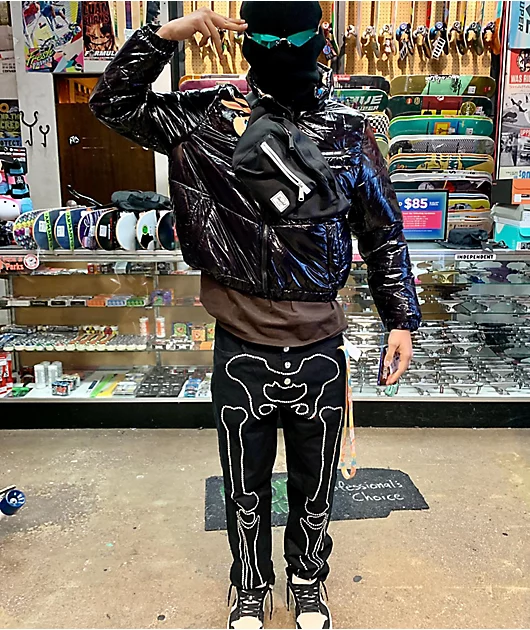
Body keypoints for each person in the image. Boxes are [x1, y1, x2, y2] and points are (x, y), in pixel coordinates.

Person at [90, 3, 421, 628]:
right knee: (243, 486)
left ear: (320, 39)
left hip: (319, 345)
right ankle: (250, 586)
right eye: (270, 36)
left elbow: (383, 233)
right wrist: (167, 34)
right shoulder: (207, 121)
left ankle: (307, 582)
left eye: (297, 36)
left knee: (314, 486)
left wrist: (400, 317)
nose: (284, 48)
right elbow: (112, 102)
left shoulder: (349, 133)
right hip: (241, 343)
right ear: (247, 39)